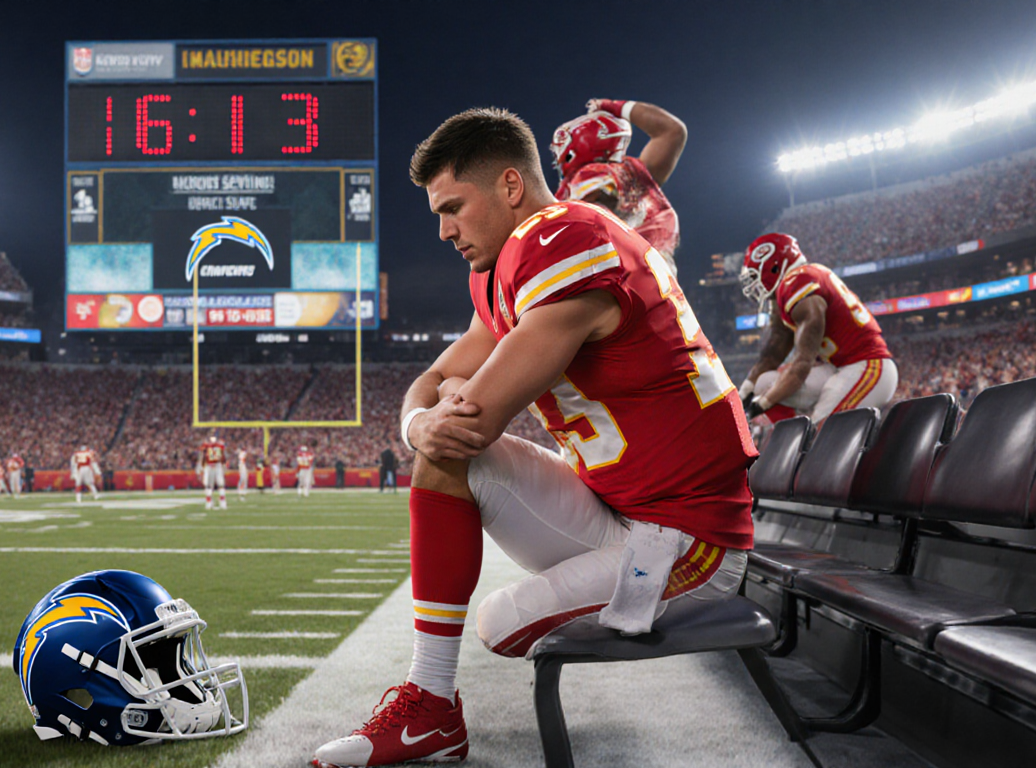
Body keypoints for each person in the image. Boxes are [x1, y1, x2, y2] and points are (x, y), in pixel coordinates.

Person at [311, 108, 754, 767]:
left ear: (511, 187)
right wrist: (417, 421)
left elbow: (475, 414)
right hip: (616, 506)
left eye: (454, 207)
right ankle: (430, 708)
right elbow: (435, 381)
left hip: (688, 541)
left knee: (500, 620)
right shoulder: (507, 264)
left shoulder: (565, 237)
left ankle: (432, 706)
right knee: (444, 454)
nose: (443, 230)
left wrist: (441, 415)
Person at [738, 233, 897, 424]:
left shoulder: (798, 283)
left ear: (775, 267)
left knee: (820, 433)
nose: (755, 285)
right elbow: (773, 352)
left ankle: (805, 443)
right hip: (837, 367)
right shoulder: (794, 285)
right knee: (763, 383)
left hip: (867, 364)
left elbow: (800, 368)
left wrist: (763, 403)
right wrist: (746, 389)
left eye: (756, 276)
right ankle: (787, 440)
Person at [552, 98, 685, 274]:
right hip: (656, 286)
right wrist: (616, 106)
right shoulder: (634, 173)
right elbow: (672, 131)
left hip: (619, 285)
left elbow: (593, 211)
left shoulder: (590, 174)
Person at [198, 432, 227, 510]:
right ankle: (217, 502)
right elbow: (223, 457)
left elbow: (222, 457)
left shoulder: (208, 445)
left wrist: (202, 466)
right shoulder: (216, 445)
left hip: (213, 465)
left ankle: (214, 502)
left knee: (213, 484)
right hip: (213, 465)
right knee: (214, 484)